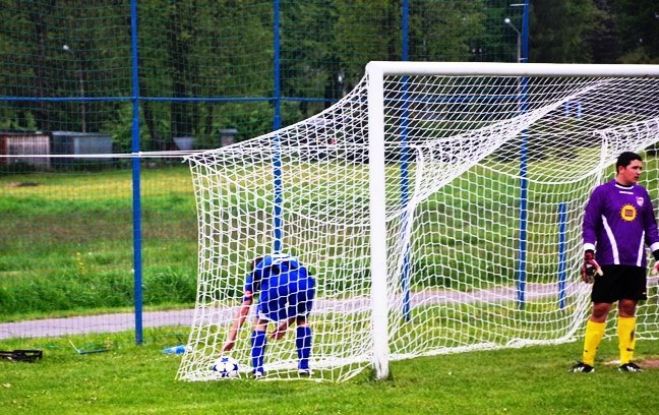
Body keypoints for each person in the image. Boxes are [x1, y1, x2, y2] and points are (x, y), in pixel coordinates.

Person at [572, 151, 659, 373]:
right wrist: (589, 253)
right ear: (621, 168)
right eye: (635, 168)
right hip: (608, 261)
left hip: (636, 262)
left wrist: (658, 254)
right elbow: (589, 224)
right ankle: (587, 362)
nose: (640, 172)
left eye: (640, 168)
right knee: (601, 307)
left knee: (629, 306)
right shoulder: (603, 193)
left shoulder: (642, 194)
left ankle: (626, 361)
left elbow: (650, 227)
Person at [222, 254, 315, 378]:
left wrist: (231, 338)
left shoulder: (258, 270)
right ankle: (304, 367)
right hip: (304, 283)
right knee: (302, 320)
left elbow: (245, 306)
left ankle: (258, 370)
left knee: (261, 322)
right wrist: (284, 325)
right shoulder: (288, 259)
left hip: (276, 284)